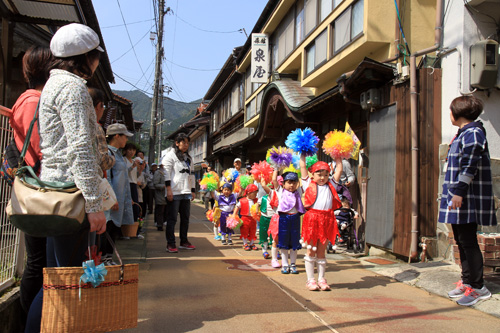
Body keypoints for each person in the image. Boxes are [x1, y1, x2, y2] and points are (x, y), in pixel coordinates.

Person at [25, 23, 107, 332]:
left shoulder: (51, 84)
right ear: (86, 57)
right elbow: (81, 148)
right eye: (96, 55)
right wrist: (93, 203)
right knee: (66, 281)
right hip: (72, 194)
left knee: (57, 279)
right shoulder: (73, 88)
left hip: (53, 192)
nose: (97, 62)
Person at [439, 95, 497, 306]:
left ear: (458, 113)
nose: (450, 115)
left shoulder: (473, 133)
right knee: (461, 240)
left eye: (451, 111)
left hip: (466, 198)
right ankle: (467, 281)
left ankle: (479, 286)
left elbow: (470, 166)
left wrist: (459, 191)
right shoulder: (464, 133)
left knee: (468, 241)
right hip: (459, 196)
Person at [9, 45, 53, 325]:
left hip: (36, 189)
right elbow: (40, 149)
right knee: (39, 262)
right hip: (41, 189)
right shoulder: (34, 101)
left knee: (39, 261)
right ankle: (31, 322)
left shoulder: (28, 98)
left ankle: (34, 321)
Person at [299, 157, 342, 291]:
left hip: (327, 219)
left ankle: (322, 279)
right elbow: (302, 167)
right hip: (312, 219)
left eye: (326, 175)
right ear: (313, 174)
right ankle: (310, 280)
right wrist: (303, 154)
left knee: (322, 250)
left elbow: (339, 169)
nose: (323, 178)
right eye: (319, 174)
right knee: (311, 249)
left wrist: (338, 157)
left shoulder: (332, 185)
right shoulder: (308, 184)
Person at [102, 123, 135, 263]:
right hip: (112, 200)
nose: (126, 140)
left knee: (114, 228)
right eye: (124, 137)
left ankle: (108, 257)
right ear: (117, 136)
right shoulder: (108, 153)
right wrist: (112, 199)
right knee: (109, 228)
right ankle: (105, 258)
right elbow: (107, 178)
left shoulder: (118, 154)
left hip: (119, 198)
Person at [162, 133, 196, 253]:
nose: (186, 145)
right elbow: (166, 173)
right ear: (177, 143)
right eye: (184, 142)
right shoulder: (169, 156)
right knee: (172, 219)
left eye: (187, 143)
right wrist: (168, 189)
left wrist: (192, 190)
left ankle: (184, 241)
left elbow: (192, 174)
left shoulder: (188, 158)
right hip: (174, 191)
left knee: (185, 218)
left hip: (186, 191)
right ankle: (170, 243)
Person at [271, 169, 305, 275]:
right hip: (284, 219)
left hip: (295, 219)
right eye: (289, 182)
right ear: (284, 183)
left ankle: (293, 264)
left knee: (294, 242)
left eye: (294, 183)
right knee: (284, 243)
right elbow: (274, 180)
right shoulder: (281, 191)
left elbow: (304, 181)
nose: (292, 185)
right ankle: (285, 264)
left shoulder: (298, 192)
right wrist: (276, 168)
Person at [88, 87, 115, 176]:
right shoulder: (95, 127)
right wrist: (112, 159)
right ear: (98, 106)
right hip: (92, 178)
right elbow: (104, 162)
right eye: (103, 106)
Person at [257, 178, 279, 263]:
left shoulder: (277, 198)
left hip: (273, 219)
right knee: (263, 234)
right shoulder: (263, 198)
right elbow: (257, 204)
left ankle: (275, 251)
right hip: (264, 218)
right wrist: (256, 211)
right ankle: (264, 251)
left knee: (274, 236)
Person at [233, 184, 259, 250]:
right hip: (244, 218)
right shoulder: (242, 200)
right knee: (244, 231)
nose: (256, 195)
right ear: (249, 193)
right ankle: (245, 243)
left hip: (253, 219)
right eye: (255, 193)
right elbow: (237, 206)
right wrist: (234, 215)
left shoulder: (256, 200)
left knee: (253, 231)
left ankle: (252, 243)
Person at [123, 142, 140, 226]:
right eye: (129, 150)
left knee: (136, 206)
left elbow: (135, 175)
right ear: (125, 151)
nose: (132, 152)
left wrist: (140, 170)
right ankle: (127, 228)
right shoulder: (123, 160)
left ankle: (134, 227)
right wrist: (132, 167)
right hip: (127, 184)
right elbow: (123, 173)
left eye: (133, 150)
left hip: (134, 184)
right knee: (128, 206)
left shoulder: (134, 161)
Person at [153, 163, 167, 231]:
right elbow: (155, 184)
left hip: (168, 195)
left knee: (166, 211)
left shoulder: (168, 172)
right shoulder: (158, 173)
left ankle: (164, 222)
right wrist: (164, 186)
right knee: (160, 211)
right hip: (160, 195)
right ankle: (159, 225)